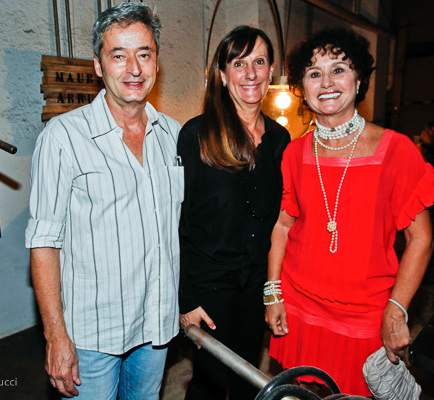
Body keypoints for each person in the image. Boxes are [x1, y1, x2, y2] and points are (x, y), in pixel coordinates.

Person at [265, 28, 434, 397]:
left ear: (359, 79)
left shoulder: (398, 151)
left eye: (339, 69)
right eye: (314, 73)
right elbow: (283, 227)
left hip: (366, 316)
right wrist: (274, 294)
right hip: (301, 309)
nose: (326, 82)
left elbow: (421, 238)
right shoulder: (294, 154)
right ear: (302, 85)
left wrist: (397, 309)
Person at [25, 3, 183, 399]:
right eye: (119, 55)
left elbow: (181, 226)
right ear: (98, 65)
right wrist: (55, 335)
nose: (133, 69)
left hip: (156, 326)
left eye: (144, 54)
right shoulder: (62, 138)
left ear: (157, 63)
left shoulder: (174, 135)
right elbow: (44, 242)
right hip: (92, 334)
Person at [178, 26, 290, 400]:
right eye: (238, 63)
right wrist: (186, 298)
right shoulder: (197, 135)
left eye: (259, 62)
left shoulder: (279, 140)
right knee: (209, 382)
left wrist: (273, 289)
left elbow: (280, 219)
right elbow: (178, 221)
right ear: (223, 75)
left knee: (247, 378)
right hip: (209, 282)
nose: (251, 73)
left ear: (271, 71)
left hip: (255, 282)